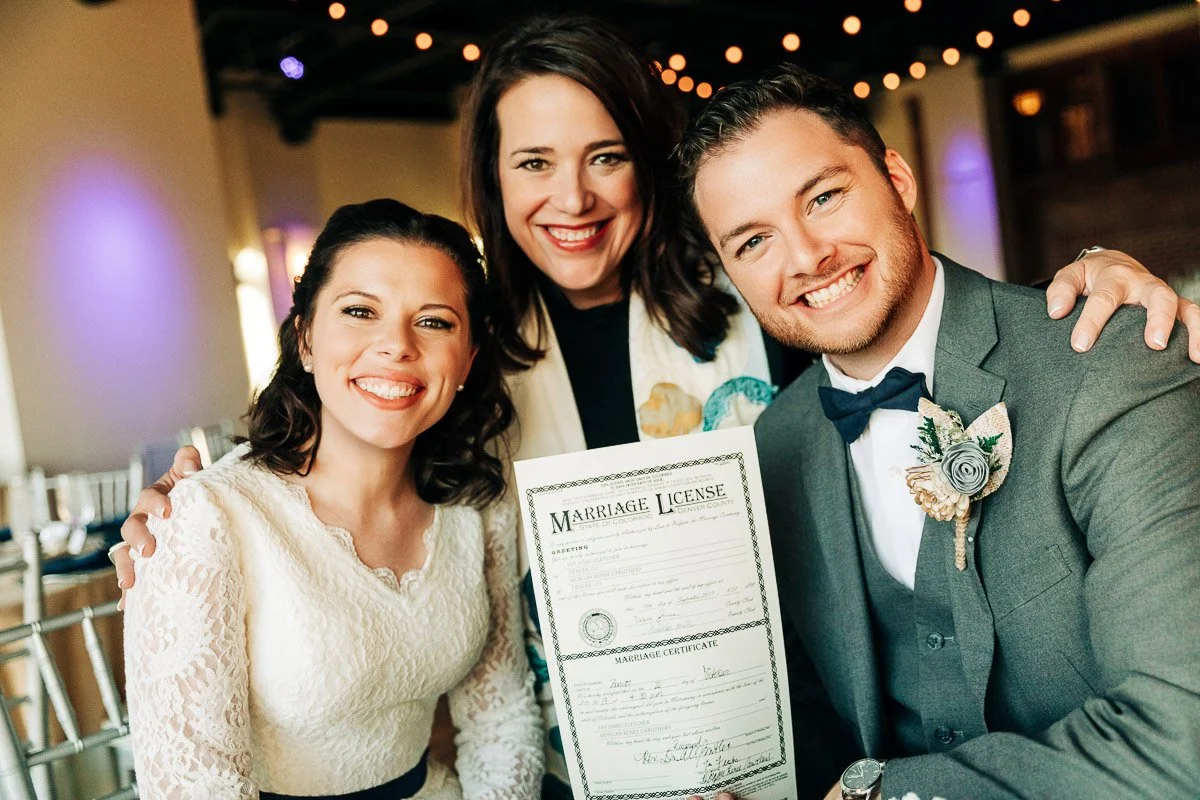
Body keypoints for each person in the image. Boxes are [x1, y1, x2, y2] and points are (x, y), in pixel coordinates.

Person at [113, 16, 1196, 800]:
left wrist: (1100, 274)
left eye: (606, 158)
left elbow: (898, 304)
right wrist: (191, 523)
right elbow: (336, 475)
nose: (571, 198)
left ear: (650, 168)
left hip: (785, 757)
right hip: (557, 762)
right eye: (534, 162)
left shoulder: (756, 294)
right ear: (493, 180)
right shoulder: (456, 349)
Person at [677, 64, 1200, 799]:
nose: (805, 257)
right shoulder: (772, 450)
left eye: (823, 197)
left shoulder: (1109, 363)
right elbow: (815, 724)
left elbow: (1182, 739)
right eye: (753, 241)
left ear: (897, 177)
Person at [123, 199, 543, 799]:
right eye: (359, 311)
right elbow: (193, 786)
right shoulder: (207, 518)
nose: (397, 345)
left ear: (469, 359)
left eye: (434, 321)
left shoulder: (478, 506)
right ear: (307, 340)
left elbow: (500, 718)